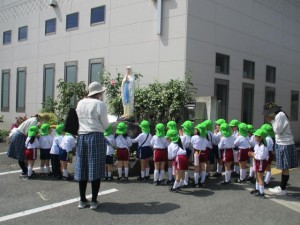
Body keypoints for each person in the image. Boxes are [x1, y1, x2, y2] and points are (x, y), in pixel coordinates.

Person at [75, 81, 109, 210]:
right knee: (95, 167)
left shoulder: (80, 103)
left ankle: (82, 200)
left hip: (82, 136)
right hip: (95, 136)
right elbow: (105, 125)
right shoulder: (100, 104)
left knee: (82, 167)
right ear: (99, 93)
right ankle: (94, 201)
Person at [263, 102, 298, 195]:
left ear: (272, 111)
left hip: (284, 144)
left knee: (284, 168)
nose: (267, 115)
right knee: (284, 168)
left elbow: (277, 130)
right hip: (283, 144)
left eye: (268, 113)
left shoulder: (280, 115)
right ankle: (282, 188)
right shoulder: (279, 115)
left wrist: (271, 121)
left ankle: (282, 189)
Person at [249, 129, 269, 199]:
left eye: (256, 136)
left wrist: (253, 155)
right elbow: (256, 153)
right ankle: (257, 189)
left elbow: (261, 157)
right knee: (257, 176)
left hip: (260, 162)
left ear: (261, 138)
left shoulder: (263, 146)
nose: (254, 137)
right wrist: (253, 153)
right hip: (257, 162)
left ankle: (261, 192)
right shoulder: (257, 145)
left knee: (260, 178)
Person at [179, 120, 194, 187]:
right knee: (186, 166)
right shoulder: (190, 135)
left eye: (183, 127)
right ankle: (186, 180)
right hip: (188, 151)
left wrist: (180, 135)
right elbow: (191, 146)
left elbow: (180, 144)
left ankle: (184, 182)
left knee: (183, 167)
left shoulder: (184, 136)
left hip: (183, 152)